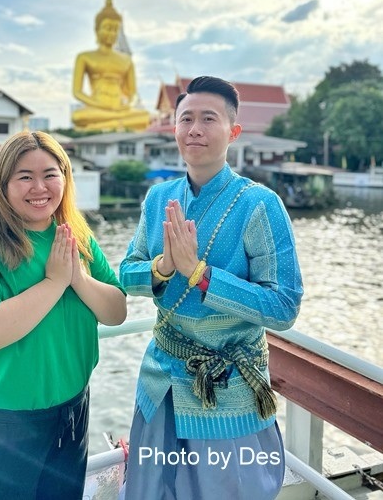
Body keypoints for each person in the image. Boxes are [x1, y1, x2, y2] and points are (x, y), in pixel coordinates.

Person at [119, 76, 303, 500]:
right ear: (175, 129)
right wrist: (164, 265)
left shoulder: (260, 204)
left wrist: (202, 274)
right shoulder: (159, 198)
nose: (195, 129)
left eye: (208, 118)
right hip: (161, 380)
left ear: (233, 132)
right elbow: (126, 274)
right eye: (186, 119)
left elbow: (284, 306)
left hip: (227, 388)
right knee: (151, 489)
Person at [0, 130, 127, 500]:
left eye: (50, 174)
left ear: (65, 177)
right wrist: (54, 283)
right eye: (24, 176)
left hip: (70, 411)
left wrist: (77, 278)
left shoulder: (77, 236)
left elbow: (116, 311)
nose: (39, 187)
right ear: (4, 184)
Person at [71, 0, 150, 131]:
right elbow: (77, 92)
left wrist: (128, 104)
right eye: (107, 28)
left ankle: (102, 125)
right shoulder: (84, 57)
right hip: (98, 107)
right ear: (97, 30)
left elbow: (133, 93)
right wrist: (100, 105)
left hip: (120, 108)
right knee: (78, 116)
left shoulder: (126, 60)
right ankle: (114, 124)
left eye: (115, 30)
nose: (112, 33)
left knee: (145, 116)